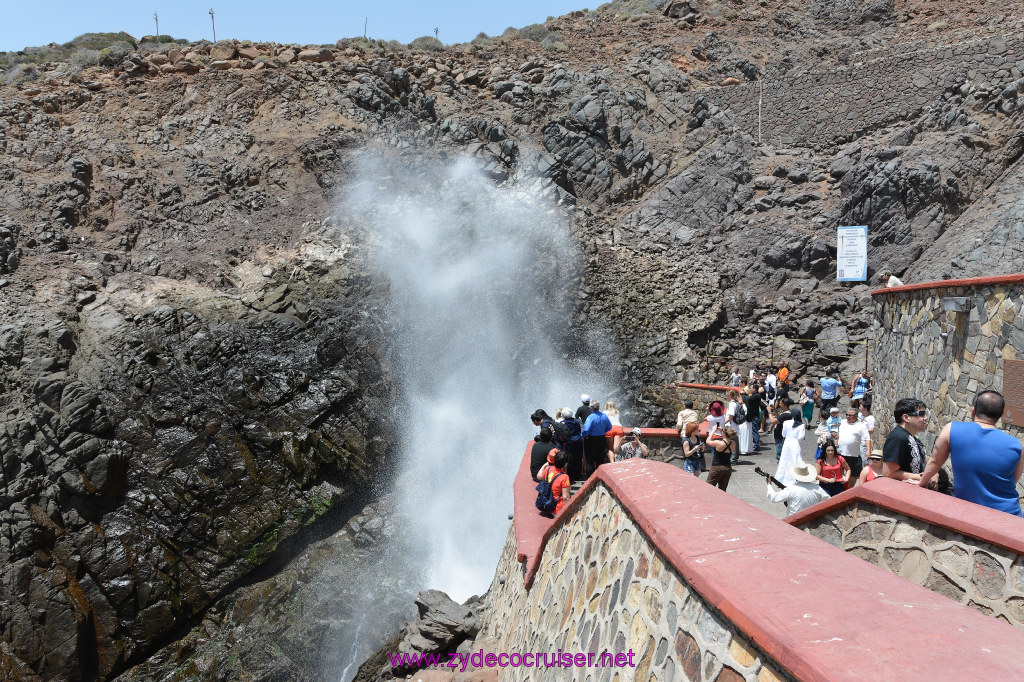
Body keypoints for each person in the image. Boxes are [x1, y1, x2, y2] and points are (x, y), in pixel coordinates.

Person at [917, 390, 1024, 515]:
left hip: (971, 515)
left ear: (973, 410)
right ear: (1001, 415)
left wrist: (921, 483)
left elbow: (935, 461)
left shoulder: (952, 430)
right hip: (1010, 515)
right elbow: (1012, 480)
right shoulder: (1016, 445)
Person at [882, 398, 929, 484]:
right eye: (921, 414)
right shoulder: (897, 438)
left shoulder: (913, 438)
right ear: (906, 417)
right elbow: (888, 473)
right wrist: (920, 477)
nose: (925, 418)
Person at [837, 407, 870, 486]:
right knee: (839, 472)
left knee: (853, 475)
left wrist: (868, 451)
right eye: (847, 415)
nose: (848, 416)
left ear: (856, 416)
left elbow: (867, 439)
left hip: (854, 455)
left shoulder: (861, 425)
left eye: (850, 415)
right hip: (841, 453)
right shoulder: (842, 422)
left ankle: (850, 489)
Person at [581, 400, 613, 477]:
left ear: (591, 408)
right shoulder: (604, 416)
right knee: (600, 460)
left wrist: (583, 435)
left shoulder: (590, 417)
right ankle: (600, 478)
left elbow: (586, 429)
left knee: (590, 461)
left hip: (591, 440)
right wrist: (602, 431)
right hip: (601, 439)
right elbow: (609, 427)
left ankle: (590, 479)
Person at [774, 411, 806, 486]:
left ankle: (780, 478)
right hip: (795, 443)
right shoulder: (801, 425)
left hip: (787, 442)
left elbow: (783, 434)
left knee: (784, 460)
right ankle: (793, 478)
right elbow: (801, 437)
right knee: (795, 460)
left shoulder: (786, 422)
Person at [536, 449, 571, 516]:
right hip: (558, 510)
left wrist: (544, 465)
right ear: (565, 464)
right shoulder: (564, 477)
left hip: (548, 506)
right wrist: (569, 512)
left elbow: (539, 476)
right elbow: (566, 497)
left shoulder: (548, 469)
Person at [706, 426, 738, 491]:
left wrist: (713, 431)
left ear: (724, 433)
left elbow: (708, 441)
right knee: (723, 490)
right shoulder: (733, 443)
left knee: (709, 487)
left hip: (717, 467)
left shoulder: (719, 443)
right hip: (727, 467)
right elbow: (726, 438)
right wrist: (722, 431)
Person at [559, 408, 585, 482]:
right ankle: (578, 475)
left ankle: (570, 476)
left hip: (570, 442)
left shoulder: (563, 423)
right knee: (578, 458)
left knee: (569, 459)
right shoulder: (576, 421)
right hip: (578, 441)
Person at [726, 389, 751, 461]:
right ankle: (735, 457)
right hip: (735, 425)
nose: (726, 397)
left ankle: (733, 458)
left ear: (729, 396)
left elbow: (731, 416)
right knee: (735, 441)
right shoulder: (736, 403)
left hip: (731, 426)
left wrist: (723, 423)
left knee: (732, 442)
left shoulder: (731, 404)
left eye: (726, 395)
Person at [744, 384, 763, 451]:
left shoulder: (755, 396)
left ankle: (756, 445)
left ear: (755, 389)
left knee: (755, 431)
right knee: (754, 431)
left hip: (754, 416)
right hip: (755, 415)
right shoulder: (755, 395)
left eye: (751, 388)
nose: (750, 389)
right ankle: (756, 444)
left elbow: (747, 400)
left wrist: (744, 394)